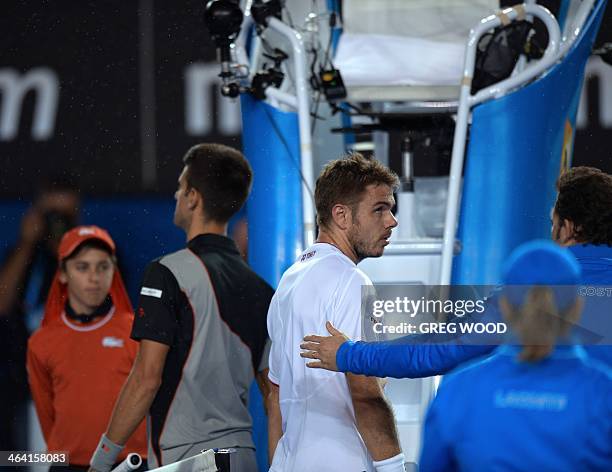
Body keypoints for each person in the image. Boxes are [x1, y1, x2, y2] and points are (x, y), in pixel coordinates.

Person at [300, 166, 612, 376]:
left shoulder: (530, 296)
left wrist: (349, 355)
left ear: (568, 228)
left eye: (553, 222)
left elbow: (440, 351)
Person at [89, 143, 274, 472]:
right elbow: (274, 396)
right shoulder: (262, 290)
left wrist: (101, 461)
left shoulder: (166, 273)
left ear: (193, 197)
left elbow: (146, 378)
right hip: (244, 458)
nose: (175, 195)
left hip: (187, 461)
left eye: (179, 186)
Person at [419, 240, 612, 471]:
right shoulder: (602, 392)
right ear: (577, 307)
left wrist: (362, 355)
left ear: (504, 306)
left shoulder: (459, 390)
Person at [267, 153, 405, 472]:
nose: (392, 221)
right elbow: (365, 391)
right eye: (379, 209)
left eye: (391, 209)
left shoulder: (287, 281)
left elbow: (274, 395)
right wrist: (394, 468)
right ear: (341, 215)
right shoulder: (352, 282)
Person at [27, 225, 148, 471]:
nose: (94, 277)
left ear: (114, 270)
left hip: (129, 464)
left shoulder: (137, 331)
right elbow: (46, 414)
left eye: (103, 267)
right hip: (69, 465)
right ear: (62, 273)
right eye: (82, 267)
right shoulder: (41, 342)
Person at [0, 176, 80, 457]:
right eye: (51, 215)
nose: (57, 223)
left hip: (71, 386)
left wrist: (67, 248)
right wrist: (26, 242)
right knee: (18, 459)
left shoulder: (91, 258)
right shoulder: (22, 256)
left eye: (64, 216)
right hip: (19, 386)